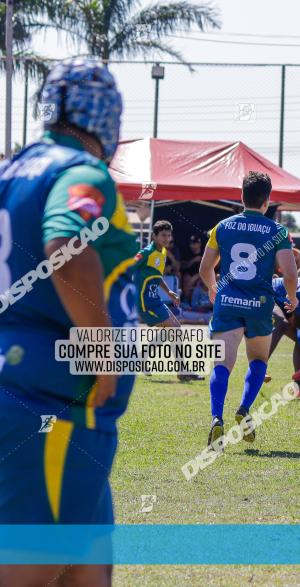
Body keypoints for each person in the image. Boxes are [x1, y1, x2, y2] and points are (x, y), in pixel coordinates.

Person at [0, 58, 136, 586]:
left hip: (37, 401)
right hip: (52, 408)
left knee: (86, 573)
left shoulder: (12, 171)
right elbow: (67, 243)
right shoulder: (79, 170)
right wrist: (101, 350)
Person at [199, 171, 298, 447]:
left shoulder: (222, 226)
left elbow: (205, 268)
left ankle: (216, 417)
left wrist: (212, 287)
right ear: (267, 201)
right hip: (260, 305)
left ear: (241, 197)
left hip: (228, 301)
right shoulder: (277, 231)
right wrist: (293, 297)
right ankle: (243, 409)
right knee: (257, 361)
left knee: (222, 364)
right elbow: (289, 273)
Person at [133, 220, 203, 381]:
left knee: (175, 328)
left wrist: (170, 292)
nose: (167, 238)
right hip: (144, 302)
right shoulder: (146, 252)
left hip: (155, 300)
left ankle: (142, 357)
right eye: (163, 235)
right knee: (175, 329)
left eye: (169, 235)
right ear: (154, 236)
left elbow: (157, 277)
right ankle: (182, 370)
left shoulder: (163, 252)